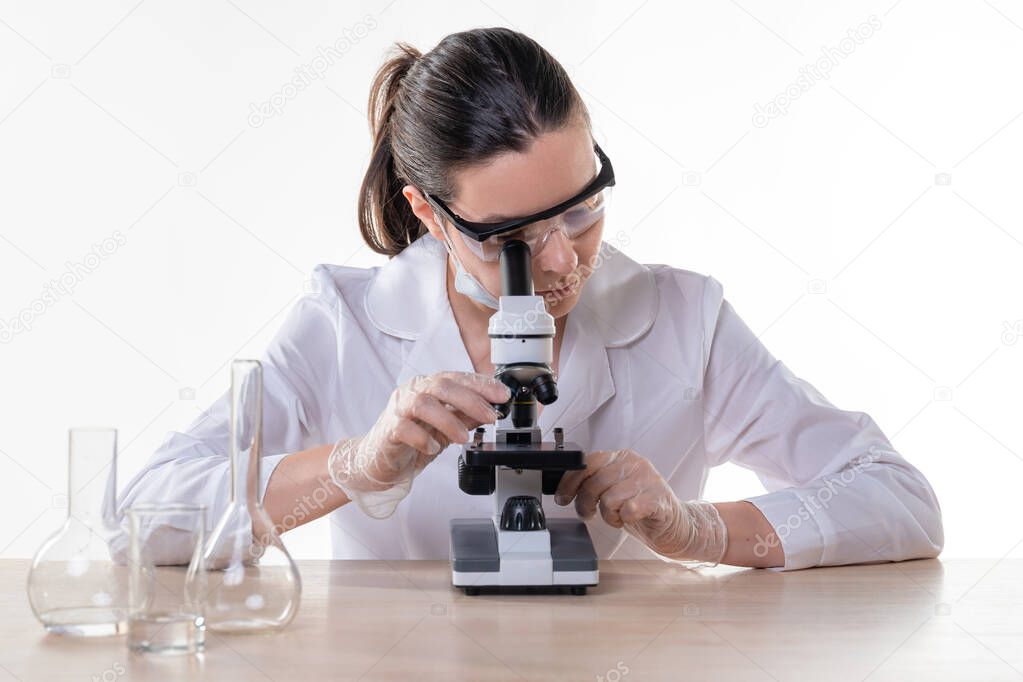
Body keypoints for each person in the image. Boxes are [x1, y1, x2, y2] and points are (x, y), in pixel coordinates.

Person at [113, 27, 943, 571]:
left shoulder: (685, 320)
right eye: (509, 237)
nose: (558, 265)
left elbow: (897, 498)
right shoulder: (345, 322)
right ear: (428, 215)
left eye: (581, 211)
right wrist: (351, 468)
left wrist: (701, 528)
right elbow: (138, 518)